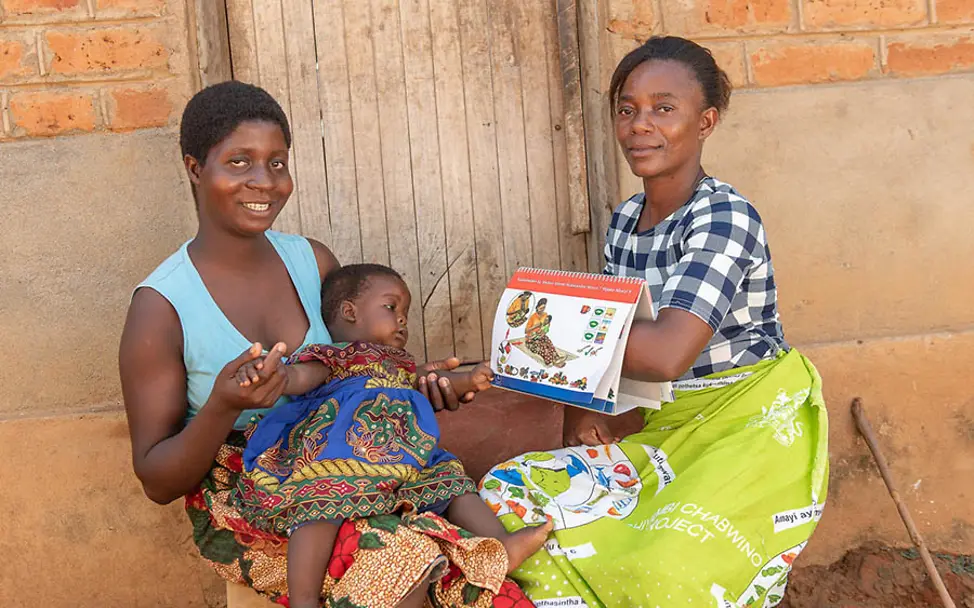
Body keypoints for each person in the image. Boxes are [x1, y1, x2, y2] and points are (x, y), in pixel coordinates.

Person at [118, 81, 535, 607]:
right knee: (403, 566)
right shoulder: (162, 305)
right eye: (239, 162)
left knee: (470, 551)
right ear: (195, 168)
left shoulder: (311, 263)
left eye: (277, 163)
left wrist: (418, 386)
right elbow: (156, 479)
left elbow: (358, 367)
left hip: (357, 460)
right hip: (254, 492)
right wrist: (224, 405)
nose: (264, 182)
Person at [478, 36, 829, 607]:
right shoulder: (625, 222)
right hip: (668, 422)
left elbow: (666, 351)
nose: (641, 125)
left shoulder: (724, 216)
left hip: (746, 429)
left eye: (664, 108)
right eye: (627, 109)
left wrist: (528, 343)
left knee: (671, 568)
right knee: (507, 495)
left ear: (706, 120)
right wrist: (584, 407)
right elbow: (619, 334)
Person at [231, 263, 551, 608]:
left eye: (406, 313)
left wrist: (471, 379)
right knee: (320, 504)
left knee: (452, 482)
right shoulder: (337, 358)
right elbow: (297, 379)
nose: (402, 320)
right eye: (391, 307)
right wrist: (271, 372)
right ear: (350, 312)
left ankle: (500, 544)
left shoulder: (401, 366)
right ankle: (304, 599)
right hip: (342, 451)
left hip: (405, 453)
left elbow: (425, 385)